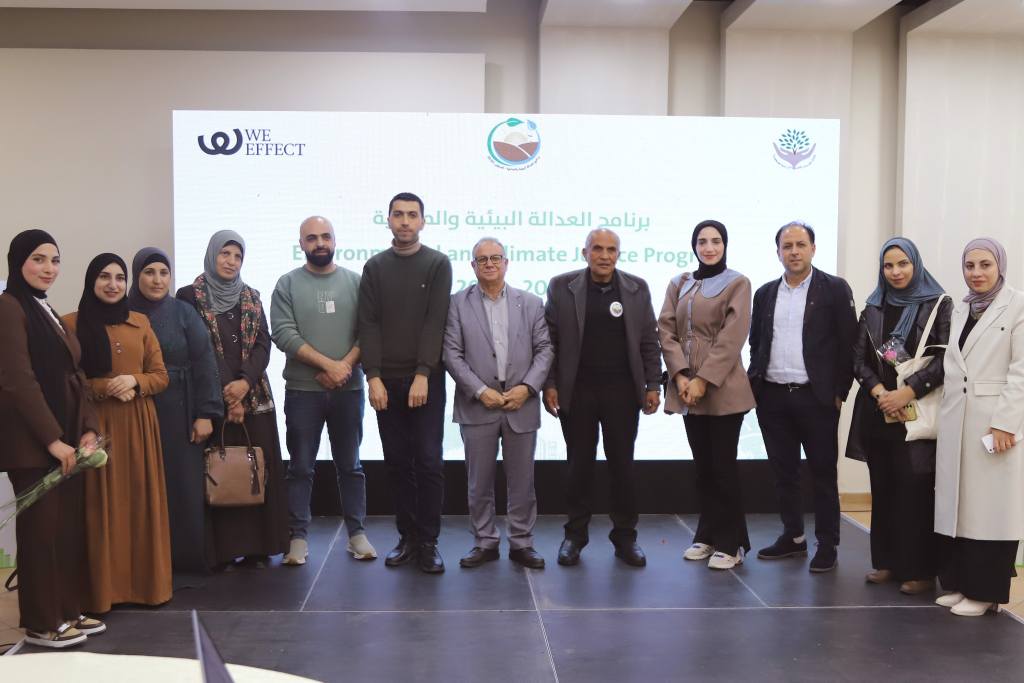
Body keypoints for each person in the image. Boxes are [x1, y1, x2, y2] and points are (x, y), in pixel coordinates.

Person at [0, 230, 101, 648]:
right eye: (38, 259)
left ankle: (67, 610)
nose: (48, 268)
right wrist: (52, 439)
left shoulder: (44, 308)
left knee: (64, 530)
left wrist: (88, 427)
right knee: (41, 534)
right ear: (18, 262)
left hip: (66, 440)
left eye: (55, 260)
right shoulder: (8, 307)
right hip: (34, 444)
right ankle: (43, 623)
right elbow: (17, 381)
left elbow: (74, 375)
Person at [544, 228, 662, 568]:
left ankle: (625, 538)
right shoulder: (561, 286)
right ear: (585, 253)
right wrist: (549, 383)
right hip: (577, 390)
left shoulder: (637, 288)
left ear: (618, 254)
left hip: (622, 392)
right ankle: (574, 537)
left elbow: (649, 339)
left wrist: (653, 384)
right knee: (578, 467)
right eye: (597, 249)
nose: (604, 255)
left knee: (622, 467)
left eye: (611, 249)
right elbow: (550, 341)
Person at [64, 253, 172, 612]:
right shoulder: (71, 324)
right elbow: (67, 379)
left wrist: (134, 381)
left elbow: (160, 375)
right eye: (104, 277)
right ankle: (102, 593)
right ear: (91, 281)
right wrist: (103, 387)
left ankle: (145, 587)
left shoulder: (140, 322)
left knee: (140, 501)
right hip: (95, 427)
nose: (113, 285)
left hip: (138, 425)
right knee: (101, 506)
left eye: (119, 278)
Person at [748, 221, 857, 573]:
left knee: (823, 474)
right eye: (787, 246)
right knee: (784, 473)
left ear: (813, 248)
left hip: (817, 399)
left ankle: (827, 544)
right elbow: (756, 342)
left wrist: (840, 392)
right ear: (778, 252)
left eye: (800, 244)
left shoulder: (834, 289)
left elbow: (849, 344)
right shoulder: (765, 293)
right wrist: (756, 385)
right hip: (773, 397)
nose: (794, 251)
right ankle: (793, 537)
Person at [177, 231, 289, 569]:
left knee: (256, 471)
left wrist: (244, 383)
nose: (231, 261)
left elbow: (263, 345)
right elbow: (201, 347)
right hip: (212, 400)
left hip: (255, 399)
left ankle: (258, 548)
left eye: (237, 256)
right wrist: (230, 392)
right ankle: (222, 551)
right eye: (225, 254)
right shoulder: (190, 296)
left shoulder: (251, 296)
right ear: (212, 255)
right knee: (220, 471)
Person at [845, 238, 950, 595]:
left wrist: (907, 392)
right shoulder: (874, 307)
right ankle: (887, 562)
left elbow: (945, 360)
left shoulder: (938, 305)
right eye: (888, 265)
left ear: (915, 264)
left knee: (915, 493)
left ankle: (920, 570)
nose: (896, 271)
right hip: (879, 412)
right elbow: (858, 359)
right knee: (884, 488)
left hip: (917, 412)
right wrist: (881, 393)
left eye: (903, 263)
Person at [271, 216, 376, 567]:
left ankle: (357, 534)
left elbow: (368, 331)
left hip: (349, 390)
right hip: (303, 391)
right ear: (301, 243)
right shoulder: (287, 284)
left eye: (326, 236)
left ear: (335, 240)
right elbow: (283, 333)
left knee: (351, 465)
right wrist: (330, 366)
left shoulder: (356, 282)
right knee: (300, 467)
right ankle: (298, 537)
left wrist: (343, 367)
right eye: (312, 238)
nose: (320, 243)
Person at [443, 238, 553, 570]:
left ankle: (522, 542)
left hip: (521, 403)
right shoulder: (456, 304)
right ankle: (485, 541)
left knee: (523, 482)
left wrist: (527, 388)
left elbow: (545, 349)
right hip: (478, 404)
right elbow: (451, 353)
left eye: (495, 258)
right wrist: (480, 390)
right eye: (482, 259)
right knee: (479, 482)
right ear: (472, 266)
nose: (489, 264)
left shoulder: (531, 303)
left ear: (506, 263)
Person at [358, 192, 452, 573]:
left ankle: (428, 541)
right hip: (386, 382)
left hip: (425, 381)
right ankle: (407, 537)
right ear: (389, 220)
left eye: (412, 215)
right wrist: (373, 377)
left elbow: (435, 321)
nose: (405, 221)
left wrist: (423, 373)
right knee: (397, 463)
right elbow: (368, 324)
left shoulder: (437, 264)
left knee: (428, 461)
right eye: (398, 214)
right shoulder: (375, 267)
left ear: (423, 221)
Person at [934, 238, 1024, 617]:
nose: (977, 273)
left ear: (1000, 265)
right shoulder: (963, 308)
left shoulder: (1017, 305)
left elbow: (1021, 372)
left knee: (991, 511)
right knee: (960, 508)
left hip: (994, 423)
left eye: (985, 264)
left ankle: (986, 593)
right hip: (957, 421)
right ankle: (961, 584)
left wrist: (1005, 423)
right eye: (970, 266)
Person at [658, 220, 755, 570]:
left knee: (723, 468)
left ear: (725, 245)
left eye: (716, 241)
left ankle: (732, 543)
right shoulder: (679, 283)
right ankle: (708, 534)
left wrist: (703, 380)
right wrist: (681, 376)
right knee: (703, 469)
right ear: (694, 246)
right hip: (687, 389)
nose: (709, 247)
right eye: (702, 241)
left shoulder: (738, 283)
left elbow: (732, 337)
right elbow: (666, 330)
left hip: (723, 389)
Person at [128, 247, 222, 578]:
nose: (157, 280)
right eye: (149, 272)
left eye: (163, 273)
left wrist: (205, 413)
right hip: (136, 413)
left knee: (182, 489)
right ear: (136, 275)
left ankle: (183, 565)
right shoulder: (122, 312)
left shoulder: (184, 313)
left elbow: (205, 362)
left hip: (180, 414)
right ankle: (143, 570)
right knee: (140, 489)